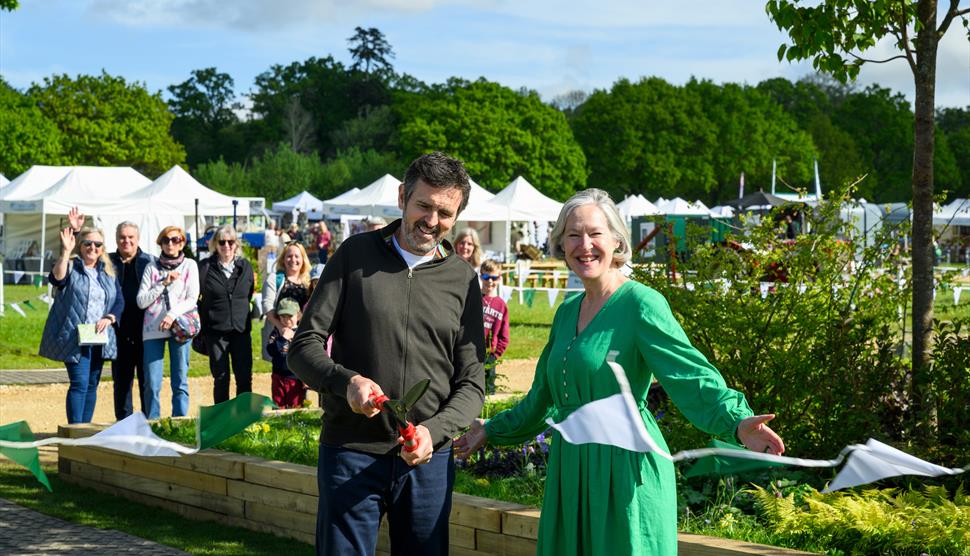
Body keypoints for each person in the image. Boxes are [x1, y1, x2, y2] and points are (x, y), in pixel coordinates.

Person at [453, 188, 785, 556]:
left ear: (616, 240)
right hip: (571, 470)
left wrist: (736, 421)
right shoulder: (566, 313)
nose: (585, 245)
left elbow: (689, 375)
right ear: (561, 244)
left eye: (595, 233)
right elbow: (543, 398)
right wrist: (492, 430)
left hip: (625, 470)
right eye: (573, 235)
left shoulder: (641, 303)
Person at [288, 152, 485, 555]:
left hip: (426, 460)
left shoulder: (463, 279)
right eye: (424, 206)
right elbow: (303, 347)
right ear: (402, 197)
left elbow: (472, 382)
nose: (432, 221)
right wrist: (347, 383)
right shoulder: (354, 255)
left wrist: (436, 430)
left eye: (445, 212)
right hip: (350, 453)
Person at [40, 208, 124, 424]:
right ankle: (76, 431)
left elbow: (119, 300)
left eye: (97, 244)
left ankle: (85, 429)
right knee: (79, 382)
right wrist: (66, 251)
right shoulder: (71, 266)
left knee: (92, 383)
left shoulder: (108, 271)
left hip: (100, 335)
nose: (92, 248)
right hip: (74, 335)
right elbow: (57, 279)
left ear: (102, 248)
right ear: (80, 245)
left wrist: (111, 317)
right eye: (87, 243)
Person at [137, 226, 200, 419]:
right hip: (152, 328)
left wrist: (172, 314)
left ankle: (180, 423)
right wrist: (163, 283)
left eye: (175, 240)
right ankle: (153, 424)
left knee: (180, 380)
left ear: (182, 243)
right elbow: (141, 301)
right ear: (160, 243)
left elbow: (192, 298)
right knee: (152, 383)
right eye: (166, 240)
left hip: (180, 326)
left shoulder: (189, 265)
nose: (170, 244)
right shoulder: (151, 267)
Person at [198, 225, 255, 404]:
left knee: (244, 377)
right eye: (222, 242)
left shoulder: (244, 266)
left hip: (241, 330)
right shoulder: (205, 268)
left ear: (236, 244)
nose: (227, 246)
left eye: (231, 242)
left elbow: (249, 292)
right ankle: (222, 421)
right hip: (215, 332)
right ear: (215, 244)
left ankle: (245, 419)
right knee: (221, 379)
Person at [108, 221, 154, 420]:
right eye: (122, 237)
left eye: (130, 237)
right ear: (116, 239)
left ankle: (149, 424)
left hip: (146, 331)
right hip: (118, 331)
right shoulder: (107, 262)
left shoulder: (150, 262)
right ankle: (124, 424)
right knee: (122, 382)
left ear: (138, 239)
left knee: (148, 381)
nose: (126, 241)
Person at [260, 241, 311, 361]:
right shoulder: (275, 279)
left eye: (297, 256)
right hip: (281, 336)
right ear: (283, 259)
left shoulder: (309, 283)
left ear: (303, 259)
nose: (293, 259)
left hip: (302, 336)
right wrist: (281, 328)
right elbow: (267, 306)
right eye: (289, 256)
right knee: (282, 373)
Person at [267, 298, 307, 408]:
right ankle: (279, 424)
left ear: (298, 316)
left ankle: (296, 424)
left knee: (296, 406)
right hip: (278, 376)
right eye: (283, 316)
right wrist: (282, 339)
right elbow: (271, 351)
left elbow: (305, 355)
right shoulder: (276, 333)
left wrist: (306, 377)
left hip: (296, 377)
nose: (286, 320)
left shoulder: (301, 333)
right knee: (278, 406)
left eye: (290, 316)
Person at [479, 259, 510, 395]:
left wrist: (495, 353)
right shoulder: (474, 297)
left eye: (494, 277)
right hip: (471, 351)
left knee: (489, 385)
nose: (490, 281)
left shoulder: (501, 305)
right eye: (486, 277)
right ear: (481, 276)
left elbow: (505, 335)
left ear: (499, 278)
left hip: (489, 353)